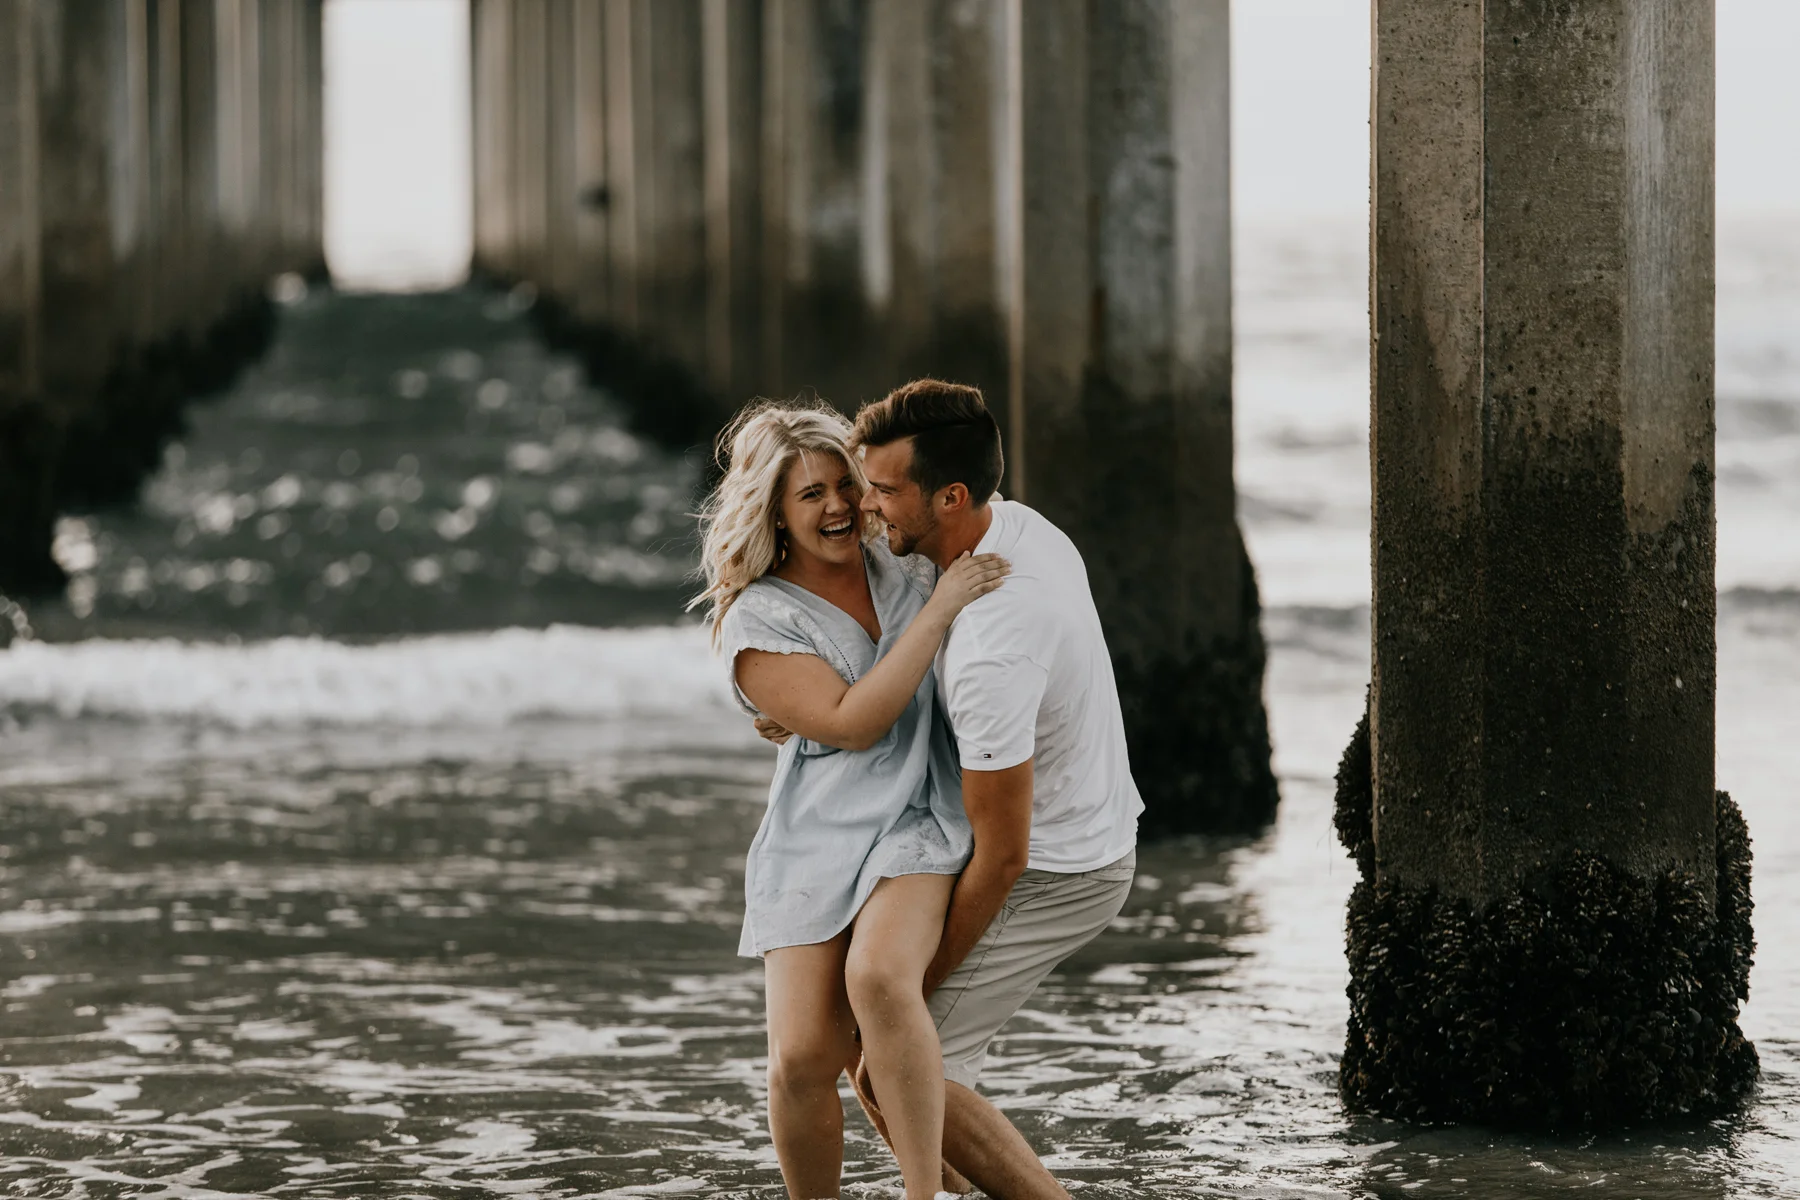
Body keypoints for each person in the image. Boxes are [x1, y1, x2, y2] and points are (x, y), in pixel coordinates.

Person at [760, 379, 1143, 1200]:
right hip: (1093, 825)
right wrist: (799, 705)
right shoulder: (1020, 526)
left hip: (1057, 866)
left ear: (953, 496)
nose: (865, 506)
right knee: (889, 1050)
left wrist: (916, 983)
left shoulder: (990, 648)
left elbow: (1002, 853)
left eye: (883, 491)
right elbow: (860, 684)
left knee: (895, 1057)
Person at [690, 398, 1010, 1200]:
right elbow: (853, 724)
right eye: (810, 495)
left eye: (844, 485)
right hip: (817, 834)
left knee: (880, 976)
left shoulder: (900, 558)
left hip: (919, 817)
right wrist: (940, 613)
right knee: (800, 1059)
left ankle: (922, 1195)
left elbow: (964, 496)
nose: (837, 506)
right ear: (775, 512)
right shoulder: (758, 618)